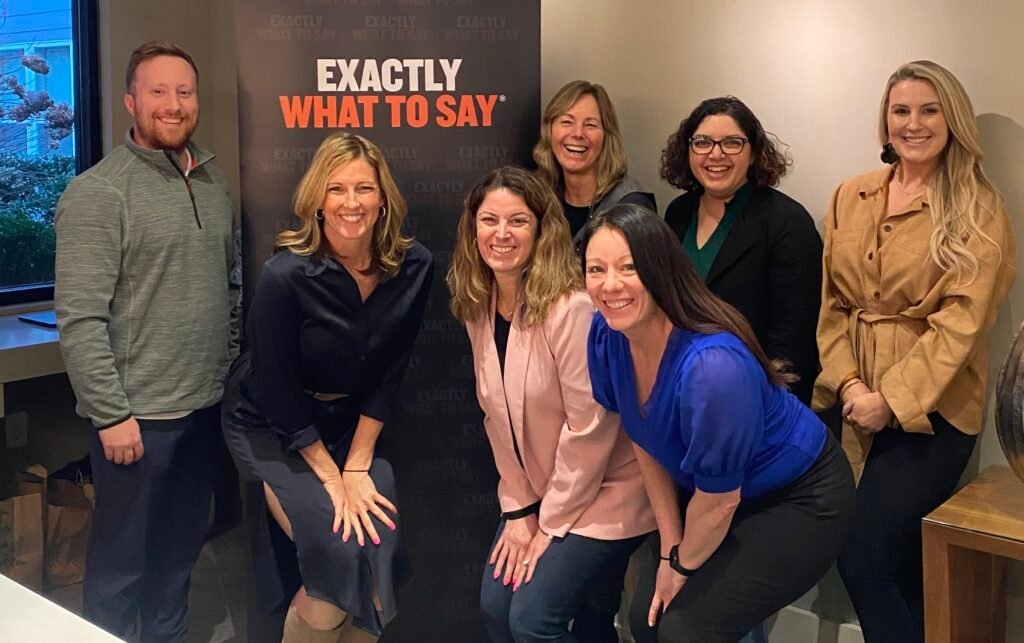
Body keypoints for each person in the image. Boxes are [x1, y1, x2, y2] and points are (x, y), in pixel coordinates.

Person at [582, 204, 855, 643]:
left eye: (629, 267)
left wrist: (681, 567)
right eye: (596, 269)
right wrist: (670, 546)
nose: (610, 284)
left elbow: (720, 502)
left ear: (661, 269)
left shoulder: (712, 368)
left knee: (686, 630)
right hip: (718, 495)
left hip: (798, 497)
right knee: (645, 620)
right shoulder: (607, 334)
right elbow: (643, 438)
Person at [813, 60, 1016, 643]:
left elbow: (961, 325)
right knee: (900, 565)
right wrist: (851, 383)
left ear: (953, 120)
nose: (913, 123)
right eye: (900, 110)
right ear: (885, 120)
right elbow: (831, 305)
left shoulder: (978, 207)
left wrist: (891, 399)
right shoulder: (851, 195)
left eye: (929, 110)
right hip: (852, 402)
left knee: (864, 558)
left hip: (935, 413)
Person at [54, 41, 239, 642]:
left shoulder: (213, 183)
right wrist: (111, 415)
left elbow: (230, 287)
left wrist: (226, 372)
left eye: (184, 91)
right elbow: (80, 319)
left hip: (204, 410)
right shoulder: (99, 193)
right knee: (120, 573)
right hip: (136, 423)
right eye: (158, 91)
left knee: (178, 563)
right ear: (131, 101)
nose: (173, 104)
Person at [221, 131, 432, 642]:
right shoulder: (284, 275)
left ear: (383, 200)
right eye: (336, 188)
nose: (350, 202)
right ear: (317, 199)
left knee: (379, 553)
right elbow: (277, 389)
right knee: (338, 553)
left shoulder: (414, 267)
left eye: (364, 188)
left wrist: (357, 463)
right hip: (273, 424)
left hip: (350, 426)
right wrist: (332, 478)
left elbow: (392, 370)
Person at [448, 167, 655, 642]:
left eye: (518, 221)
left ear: (542, 229)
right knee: (496, 607)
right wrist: (520, 510)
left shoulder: (571, 308)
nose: (502, 234)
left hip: (607, 490)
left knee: (532, 621)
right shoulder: (479, 305)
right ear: (472, 229)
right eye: (489, 220)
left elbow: (591, 429)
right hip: (541, 493)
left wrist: (549, 524)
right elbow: (495, 418)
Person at [662, 96, 821, 405]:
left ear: (754, 152)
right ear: (688, 150)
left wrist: (763, 400)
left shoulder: (787, 222)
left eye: (732, 143)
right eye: (702, 142)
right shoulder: (678, 213)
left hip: (755, 396)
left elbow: (795, 336)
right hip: (681, 386)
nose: (715, 154)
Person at [533, 80, 656, 241]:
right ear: (549, 131)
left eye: (590, 125)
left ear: (607, 136)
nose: (578, 133)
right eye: (567, 122)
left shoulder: (632, 207)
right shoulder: (537, 198)